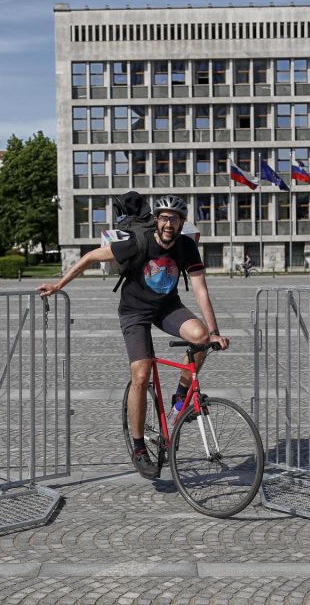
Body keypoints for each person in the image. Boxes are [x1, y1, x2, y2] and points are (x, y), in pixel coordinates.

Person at [36, 195, 229, 479]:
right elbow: (91, 256)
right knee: (141, 374)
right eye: (163, 218)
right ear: (156, 220)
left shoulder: (187, 246)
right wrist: (58, 284)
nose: (168, 224)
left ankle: (180, 395)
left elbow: (201, 290)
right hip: (134, 311)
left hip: (167, 307)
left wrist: (214, 332)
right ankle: (139, 448)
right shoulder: (138, 243)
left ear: (181, 224)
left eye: (174, 219)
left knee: (200, 337)